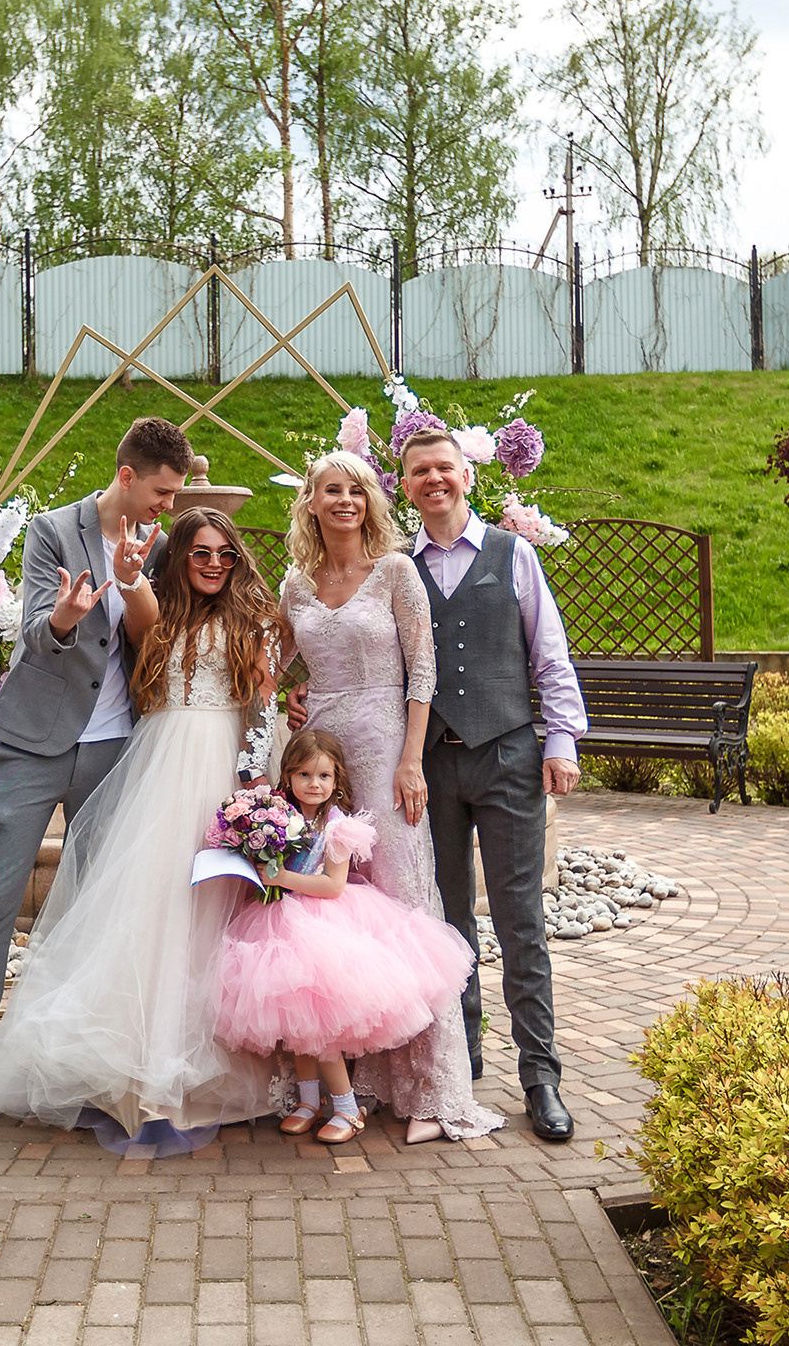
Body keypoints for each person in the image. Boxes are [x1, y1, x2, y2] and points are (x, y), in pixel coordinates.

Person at [0, 506, 283, 1141]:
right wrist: (132, 576)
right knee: (154, 904)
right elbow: (139, 610)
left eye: (225, 554)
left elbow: (262, 703)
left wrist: (257, 788)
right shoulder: (160, 618)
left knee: (215, 913)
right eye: (200, 554)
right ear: (179, 560)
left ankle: (212, 1055)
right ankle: (134, 1064)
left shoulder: (253, 620)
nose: (215, 565)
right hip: (163, 769)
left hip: (224, 767)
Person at [0, 417, 189, 1133]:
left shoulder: (159, 544)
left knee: (92, 912)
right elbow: (38, 627)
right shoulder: (51, 531)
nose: (167, 506)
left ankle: (63, 1062)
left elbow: (150, 641)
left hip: (112, 746)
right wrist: (67, 617)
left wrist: (132, 585)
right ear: (127, 477)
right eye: (161, 491)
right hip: (34, 740)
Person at [280, 449, 504, 1143]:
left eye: (356, 490)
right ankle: (358, 1081)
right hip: (321, 759)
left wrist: (413, 759)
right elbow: (284, 659)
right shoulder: (295, 583)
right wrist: (290, 691)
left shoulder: (396, 570)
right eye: (330, 490)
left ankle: (435, 1092)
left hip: (384, 750)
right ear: (311, 503)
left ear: (371, 501)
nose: (344, 500)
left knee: (404, 901)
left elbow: (423, 667)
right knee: (333, 915)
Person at [400, 426, 587, 1143]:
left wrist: (561, 741)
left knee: (520, 922)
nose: (434, 480)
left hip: (508, 755)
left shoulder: (514, 556)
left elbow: (549, 651)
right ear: (408, 486)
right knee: (446, 922)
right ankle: (465, 1062)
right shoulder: (398, 567)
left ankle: (540, 1077)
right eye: (420, 472)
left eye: (444, 467)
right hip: (432, 767)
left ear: (466, 476)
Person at [212, 728, 479, 1145]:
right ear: (287, 776)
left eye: (323, 776)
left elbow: (334, 886)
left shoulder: (338, 827)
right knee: (294, 1023)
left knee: (319, 1032)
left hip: (323, 926)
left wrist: (282, 876)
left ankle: (347, 1108)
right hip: (279, 920)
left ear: (337, 780)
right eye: (303, 775)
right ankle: (307, 1101)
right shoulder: (279, 817)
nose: (313, 785)